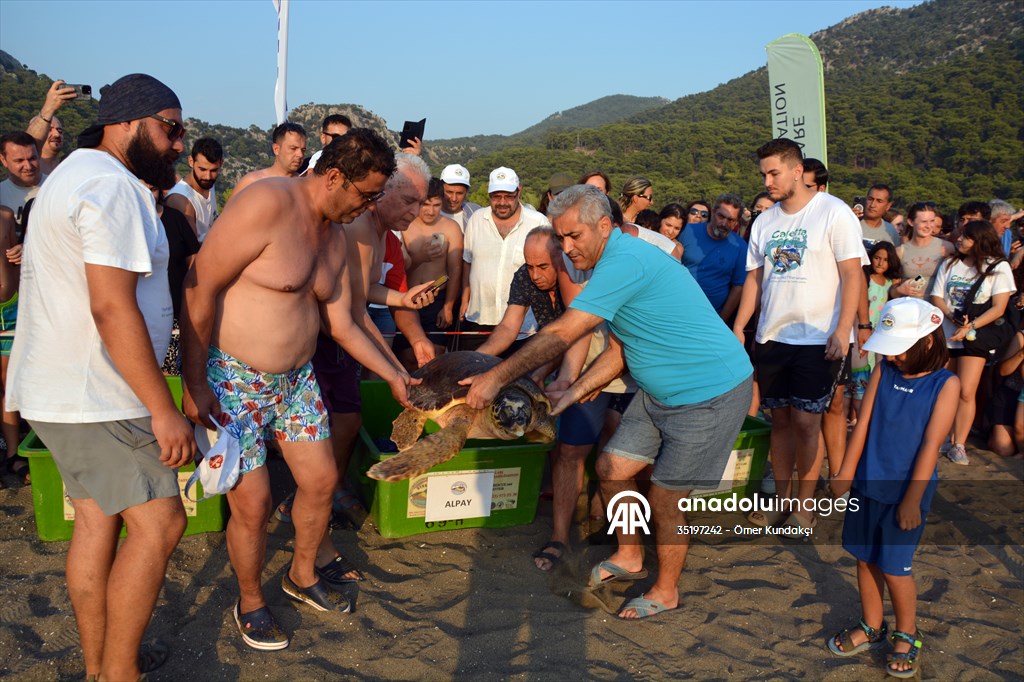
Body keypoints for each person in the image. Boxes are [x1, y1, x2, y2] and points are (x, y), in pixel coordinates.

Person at [463, 184, 753, 619]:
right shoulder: (608, 265)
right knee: (611, 468)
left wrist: (495, 377)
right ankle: (630, 555)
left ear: (604, 226)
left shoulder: (625, 261)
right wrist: (574, 390)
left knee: (666, 498)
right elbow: (620, 350)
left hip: (708, 393)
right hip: (659, 394)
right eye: (560, 238)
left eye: (573, 237)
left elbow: (564, 331)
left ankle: (667, 590)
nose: (566, 247)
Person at [180, 128, 416, 650]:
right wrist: (194, 383)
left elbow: (345, 323)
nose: (369, 205)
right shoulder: (265, 203)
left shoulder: (335, 236)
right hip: (234, 379)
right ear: (333, 176)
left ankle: (302, 573)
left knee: (320, 480)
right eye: (366, 194)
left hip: (295, 383)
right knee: (254, 503)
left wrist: (396, 374)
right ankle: (251, 600)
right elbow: (200, 285)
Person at [7, 72, 195, 682]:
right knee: (162, 521)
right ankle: (119, 675)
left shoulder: (71, 175)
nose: (178, 144)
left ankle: (99, 667)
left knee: (95, 519)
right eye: (170, 128)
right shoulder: (110, 187)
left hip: (57, 389)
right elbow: (111, 305)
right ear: (129, 122)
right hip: (96, 392)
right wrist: (161, 409)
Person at [733, 138, 866, 529]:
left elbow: (852, 273)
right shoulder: (764, 220)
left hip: (818, 336)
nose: (768, 181)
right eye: (763, 174)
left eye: (774, 173)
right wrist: (741, 327)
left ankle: (804, 507)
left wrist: (844, 329)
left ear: (796, 170)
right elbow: (754, 279)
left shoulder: (834, 212)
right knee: (781, 420)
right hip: (772, 336)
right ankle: (782, 499)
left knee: (809, 422)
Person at [829, 297, 958, 680]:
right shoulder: (885, 370)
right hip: (867, 482)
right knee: (864, 556)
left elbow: (931, 446)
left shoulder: (945, 385)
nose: (894, 356)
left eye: (899, 349)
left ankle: (907, 632)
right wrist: (845, 471)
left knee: (896, 567)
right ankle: (872, 625)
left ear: (928, 342)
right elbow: (863, 423)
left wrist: (913, 498)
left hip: (906, 491)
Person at [928, 220, 1015, 465]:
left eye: (966, 237)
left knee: (966, 391)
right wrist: (951, 317)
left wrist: (970, 326)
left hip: (975, 338)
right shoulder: (950, 263)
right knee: (942, 389)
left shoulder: (998, 268)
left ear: (980, 241)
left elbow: (999, 308)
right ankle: (940, 437)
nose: (959, 240)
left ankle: (959, 443)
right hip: (946, 333)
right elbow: (937, 295)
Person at [459, 166, 549, 351]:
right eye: (496, 196)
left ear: (519, 191)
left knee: (518, 378)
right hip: (479, 318)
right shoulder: (477, 219)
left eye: (508, 196)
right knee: (472, 374)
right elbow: (467, 262)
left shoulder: (538, 222)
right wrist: (464, 299)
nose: (502, 202)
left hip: (524, 325)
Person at [398, 177, 464, 364]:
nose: (431, 211)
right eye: (426, 204)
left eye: (436, 205)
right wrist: (420, 257)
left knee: (435, 355)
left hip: (437, 298)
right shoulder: (404, 225)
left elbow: (454, 269)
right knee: (407, 356)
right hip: (407, 299)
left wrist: (448, 306)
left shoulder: (451, 227)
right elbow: (397, 269)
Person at [476, 226, 564, 358]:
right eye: (530, 266)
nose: (535, 275)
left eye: (542, 267)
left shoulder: (574, 276)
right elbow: (508, 327)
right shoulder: (523, 275)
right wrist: (477, 358)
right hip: (551, 348)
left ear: (561, 258)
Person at [849, 242, 902, 426]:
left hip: (880, 336)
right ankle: (856, 416)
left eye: (885, 260)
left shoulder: (890, 284)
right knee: (860, 371)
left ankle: (867, 416)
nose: (880, 263)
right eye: (877, 258)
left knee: (875, 373)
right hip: (861, 331)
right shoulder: (866, 279)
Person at [680, 193, 747, 320]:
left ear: (736, 222)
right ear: (713, 213)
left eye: (731, 220)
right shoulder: (687, 231)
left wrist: (722, 320)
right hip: (676, 308)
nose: (724, 223)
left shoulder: (740, 246)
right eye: (721, 216)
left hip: (710, 318)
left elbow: (739, 287)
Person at [0, 207, 24, 483]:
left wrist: (20, 250)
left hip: (10, 310)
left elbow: (14, 262)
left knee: (10, 383)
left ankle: (13, 454)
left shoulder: (5, 216)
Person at [229, 122, 307, 200]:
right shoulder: (252, 182)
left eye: (303, 150)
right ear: (276, 149)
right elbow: (230, 211)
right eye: (293, 148)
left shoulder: (305, 186)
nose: (300, 155)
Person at [165, 137, 223, 241]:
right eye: (202, 169)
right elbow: (191, 250)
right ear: (191, 162)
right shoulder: (181, 199)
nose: (208, 176)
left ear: (221, 164)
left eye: (214, 170)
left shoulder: (209, 184)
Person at [892, 202, 954, 299]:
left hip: (934, 309)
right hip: (907, 307)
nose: (929, 226)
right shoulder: (900, 251)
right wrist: (900, 290)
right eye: (924, 221)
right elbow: (892, 291)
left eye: (932, 221)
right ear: (911, 222)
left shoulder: (947, 248)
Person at [26, 79, 78, 175]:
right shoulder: (29, 167)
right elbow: (28, 144)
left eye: (60, 130)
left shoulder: (68, 165)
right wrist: (49, 107)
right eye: (50, 130)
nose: (57, 134)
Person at [0, 132, 44, 219]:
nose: (28, 166)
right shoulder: (1, 194)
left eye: (32, 159)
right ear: (3, 160)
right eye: (19, 161)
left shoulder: (56, 186)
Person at [439, 163, 480, 232]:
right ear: (440, 189)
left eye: (459, 193)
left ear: (466, 193)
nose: (454, 198)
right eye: (449, 192)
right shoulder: (426, 213)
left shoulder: (477, 214)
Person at [860, 184, 900, 248]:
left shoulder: (891, 231)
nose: (872, 205)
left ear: (888, 206)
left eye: (879, 201)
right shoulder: (852, 224)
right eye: (870, 199)